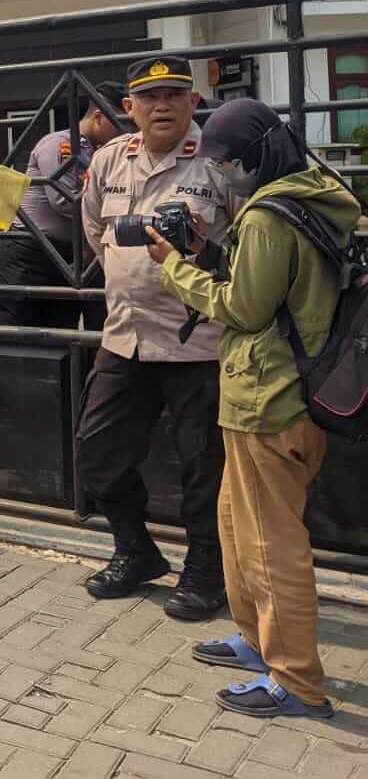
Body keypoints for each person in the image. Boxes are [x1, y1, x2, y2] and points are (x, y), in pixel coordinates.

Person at [154, 99, 357, 719]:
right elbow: (272, 285)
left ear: (258, 155)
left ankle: (296, 680)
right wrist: (206, 254)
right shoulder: (310, 196)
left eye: (227, 160)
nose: (221, 172)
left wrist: (172, 267)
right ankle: (255, 640)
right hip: (283, 392)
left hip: (271, 399)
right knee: (236, 527)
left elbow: (243, 309)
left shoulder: (270, 216)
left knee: (270, 545)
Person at [77, 56, 243, 621]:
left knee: (204, 464)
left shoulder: (221, 164)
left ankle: (206, 568)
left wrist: (201, 251)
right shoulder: (108, 160)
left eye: (175, 94)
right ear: (129, 108)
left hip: (200, 342)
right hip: (125, 336)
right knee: (97, 450)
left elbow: (248, 250)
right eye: (149, 97)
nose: (162, 105)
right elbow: (97, 231)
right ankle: (136, 550)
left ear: (194, 102)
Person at [0, 82, 126, 329]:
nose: (125, 134)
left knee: (60, 330)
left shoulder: (99, 152)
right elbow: (64, 200)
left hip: (65, 256)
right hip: (30, 254)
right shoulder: (62, 144)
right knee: (15, 329)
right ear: (98, 118)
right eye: (120, 125)